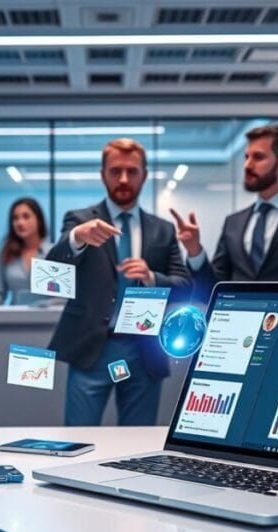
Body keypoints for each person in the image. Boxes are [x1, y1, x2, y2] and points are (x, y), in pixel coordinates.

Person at [47, 138, 191, 426]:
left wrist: (152, 278)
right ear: (103, 175)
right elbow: (53, 267)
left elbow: (185, 287)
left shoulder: (163, 230)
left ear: (144, 175)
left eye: (132, 171)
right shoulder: (79, 219)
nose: (123, 179)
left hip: (144, 350)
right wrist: (77, 238)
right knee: (78, 438)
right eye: (115, 171)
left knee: (137, 443)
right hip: (92, 348)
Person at [170, 124, 278, 300]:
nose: (247, 165)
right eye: (247, 157)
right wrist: (195, 250)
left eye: (258, 157)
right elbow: (214, 287)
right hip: (235, 323)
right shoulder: (233, 222)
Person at [0, 198, 53, 305]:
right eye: (15, 218)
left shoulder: (53, 253)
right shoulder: (7, 253)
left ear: (38, 219)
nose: (20, 222)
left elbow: (64, 299)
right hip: (15, 318)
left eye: (26, 216)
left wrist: (47, 304)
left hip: (47, 319)